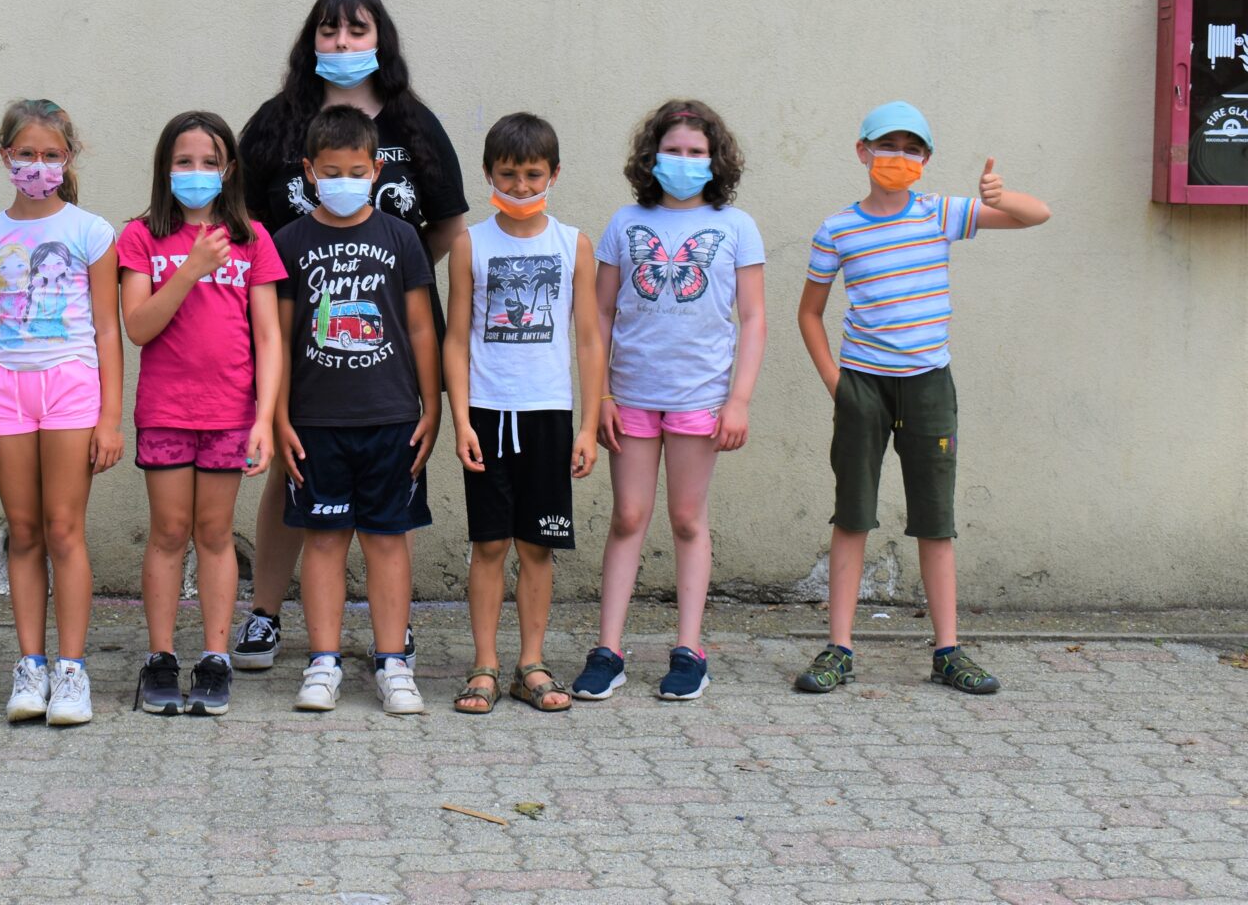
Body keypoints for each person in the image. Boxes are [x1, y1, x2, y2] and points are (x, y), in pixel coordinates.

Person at [233, 0, 466, 671]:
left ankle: (394, 631)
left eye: (356, 32)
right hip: (292, 332)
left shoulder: (414, 125)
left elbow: (448, 223)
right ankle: (266, 613)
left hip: (386, 336)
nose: (341, 44)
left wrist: (392, 274)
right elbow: (240, 217)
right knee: (291, 469)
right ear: (311, 42)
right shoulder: (277, 122)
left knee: (392, 481)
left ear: (379, 41)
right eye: (328, 31)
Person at [793, 102, 1050, 696]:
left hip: (930, 385)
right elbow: (809, 313)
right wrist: (837, 383)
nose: (899, 158)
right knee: (852, 514)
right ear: (862, 151)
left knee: (935, 520)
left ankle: (947, 651)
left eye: (912, 149)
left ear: (927, 160)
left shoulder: (940, 213)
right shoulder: (837, 229)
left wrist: (1002, 196)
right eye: (887, 146)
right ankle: (839, 648)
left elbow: (1037, 216)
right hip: (862, 386)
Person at [575, 101, 766, 702]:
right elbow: (599, 314)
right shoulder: (624, 222)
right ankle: (608, 650)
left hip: (699, 398)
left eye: (696, 152)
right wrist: (600, 394)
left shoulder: (737, 227)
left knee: (687, 519)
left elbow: (754, 318)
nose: (684, 162)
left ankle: (689, 651)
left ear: (715, 160)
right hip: (630, 396)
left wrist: (739, 399)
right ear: (651, 157)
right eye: (673, 151)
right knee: (628, 517)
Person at [0, 99, 124, 727]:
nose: (38, 165)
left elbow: (107, 329)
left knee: (63, 528)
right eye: (26, 153)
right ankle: (31, 667)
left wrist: (111, 418)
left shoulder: (91, 231)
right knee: (23, 530)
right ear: (6, 155)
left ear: (69, 157)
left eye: (51, 154)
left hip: (71, 387)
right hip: (5, 390)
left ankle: (72, 670)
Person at [272, 105, 440, 714]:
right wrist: (278, 417)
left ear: (376, 169)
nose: (344, 180)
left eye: (356, 170)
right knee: (323, 541)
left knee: (388, 541)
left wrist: (432, 407)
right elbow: (279, 338)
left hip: (392, 418)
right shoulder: (289, 243)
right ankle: (323, 661)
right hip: (315, 423)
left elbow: (420, 328)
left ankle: (392, 661)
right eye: (331, 171)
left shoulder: (401, 237)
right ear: (309, 171)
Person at [117, 111, 286, 716]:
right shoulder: (140, 237)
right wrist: (190, 269)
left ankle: (215, 658)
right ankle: (161, 657)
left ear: (229, 169)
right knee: (168, 532)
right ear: (165, 169)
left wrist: (264, 418)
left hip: (230, 412)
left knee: (215, 534)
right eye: (184, 161)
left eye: (209, 162)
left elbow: (268, 337)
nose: (197, 172)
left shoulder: (252, 238)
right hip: (166, 411)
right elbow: (138, 326)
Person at [443, 113, 604, 714]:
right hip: (487, 413)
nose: (519, 187)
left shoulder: (573, 244)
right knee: (489, 545)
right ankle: (484, 665)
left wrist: (588, 425)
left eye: (532, 175)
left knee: (538, 546)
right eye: (508, 175)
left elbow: (588, 339)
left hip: (548, 416)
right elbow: (455, 339)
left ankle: (530, 663)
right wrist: (461, 420)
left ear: (554, 174)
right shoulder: (470, 244)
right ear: (489, 173)